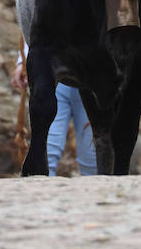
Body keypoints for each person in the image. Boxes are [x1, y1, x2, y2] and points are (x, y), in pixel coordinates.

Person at [11, 45, 96, 176]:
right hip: (54, 79)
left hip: (92, 79)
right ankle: (41, 195)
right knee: (46, 150)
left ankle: (96, 195)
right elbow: (35, 26)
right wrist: (24, 59)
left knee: (91, 157)